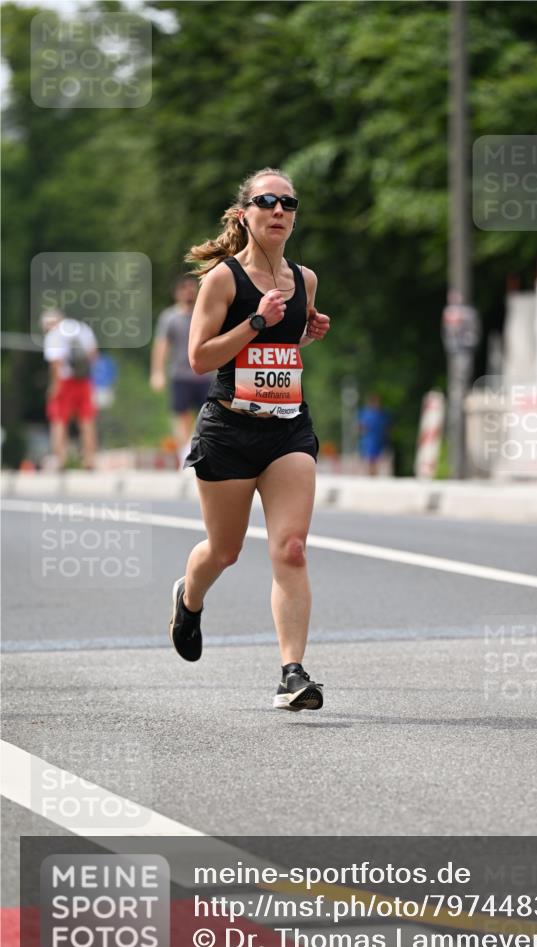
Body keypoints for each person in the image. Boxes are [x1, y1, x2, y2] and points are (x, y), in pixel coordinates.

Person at [168, 167, 330, 710]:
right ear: (245, 213)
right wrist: (256, 323)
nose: (280, 211)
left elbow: (280, 356)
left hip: (288, 428)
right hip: (229, 430)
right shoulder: (221, 280)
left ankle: (292, 674)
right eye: (268, 201)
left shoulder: (304, 280)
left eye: (289, 203)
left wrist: (304, 334)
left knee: (292, 548)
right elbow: (198, 358)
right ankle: (189, 599)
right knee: (226, 550)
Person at [150, 275, 211, 469]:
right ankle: (184, 453)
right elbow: (161, 346)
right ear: (177, 293)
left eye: (192, 288)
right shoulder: (170, 317)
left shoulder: (204, 314)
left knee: (206, 415)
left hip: (203, 374)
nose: (189, 292)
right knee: (181, 415)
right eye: (185, 288)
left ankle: (196, 448)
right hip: (180, 374)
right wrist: (157, 372)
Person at [41, 309, 98, 470]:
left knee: (59, 420)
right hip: (84, 380)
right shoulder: (82, 328)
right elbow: (93, 354)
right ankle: (89, 459)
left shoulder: (54, 335)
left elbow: (56, 363)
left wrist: (54, 385)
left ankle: (60, 460)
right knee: (87, 419)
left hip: (64, 381)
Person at [358, 393, 392, 475]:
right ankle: (371, 473)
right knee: (371, 457)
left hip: (380, 439)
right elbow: (361, 426)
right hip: (370, 439)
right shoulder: (366, 413)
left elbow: (388, 426)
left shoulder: (382, 413)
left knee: (379, 457)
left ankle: (374, 473)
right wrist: (363, 431)